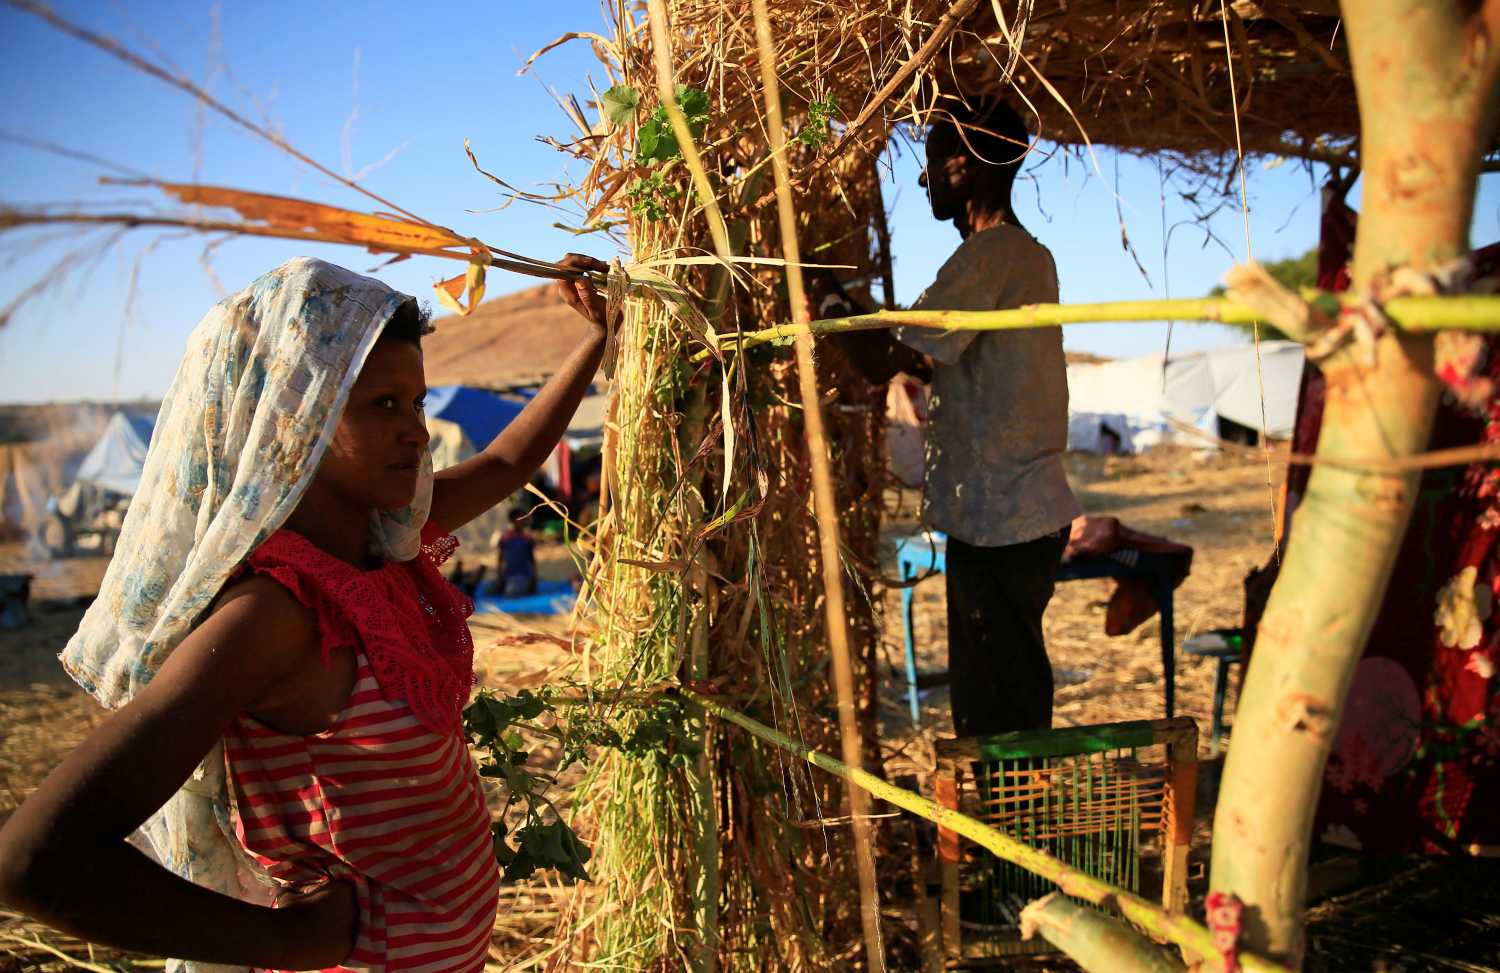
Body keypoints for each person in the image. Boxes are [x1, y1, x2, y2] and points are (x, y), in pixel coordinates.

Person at [0, 252, 612, 971]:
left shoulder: (387, 545)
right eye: (382, 405)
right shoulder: (275, 615)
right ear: (294, 422)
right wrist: (283, 940)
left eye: (415, 402)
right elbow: (33, 859)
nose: (415, 430)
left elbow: (508, 463)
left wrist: (596, 340)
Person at [808, 99, 1080, 737]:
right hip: (1013, 516)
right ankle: (1011, 822)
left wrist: (821, 294)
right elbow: (944, 364)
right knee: (1006, 698)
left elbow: (884, 359)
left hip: (1004, 524)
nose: (925, 178)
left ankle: (1008, 828)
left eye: (934, 160)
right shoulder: (1019, 259)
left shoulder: (988, 258)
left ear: (973, 164)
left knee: (997, 715)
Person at [497, 507, 539, 597]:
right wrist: (500, 577)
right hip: (508, 575)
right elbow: (500, 558)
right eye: (521, 518)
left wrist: (534, 579)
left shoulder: (528, 538)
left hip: (523, 576)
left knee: (510, 592)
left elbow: (532, 559)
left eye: (524, 518)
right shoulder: (505, 538)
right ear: (512, 520)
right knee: (488, 590)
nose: (524, 520)